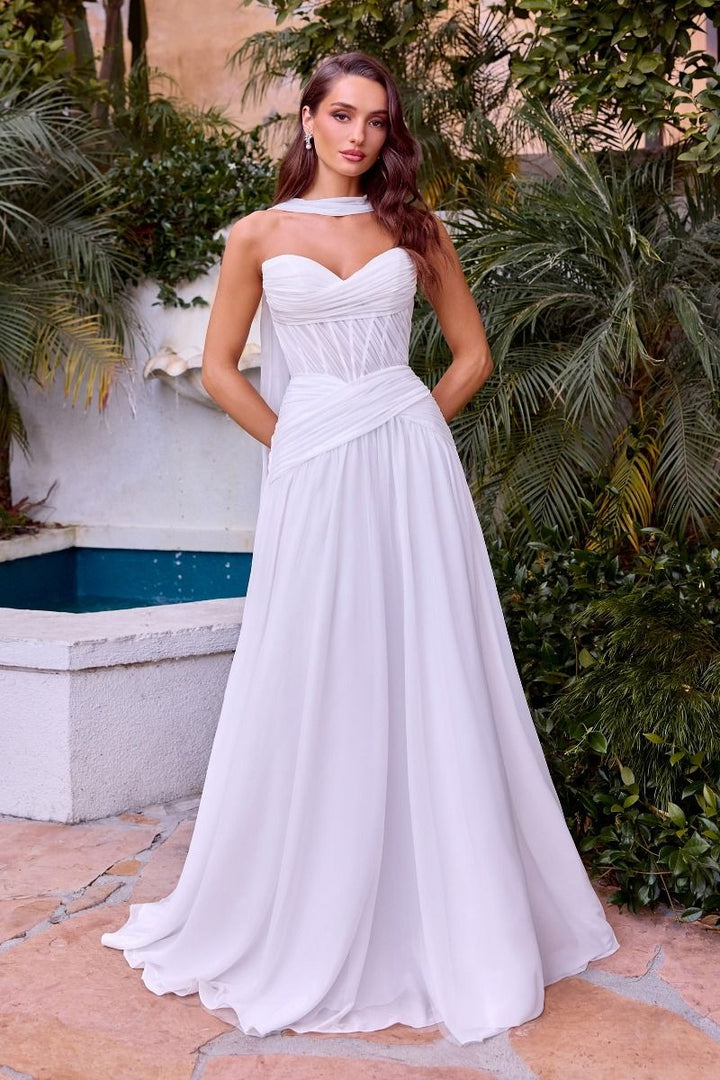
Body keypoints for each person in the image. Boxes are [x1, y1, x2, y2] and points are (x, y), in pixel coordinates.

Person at [101, 50, 619, 1046]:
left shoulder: (414, 227)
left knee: (428, 659)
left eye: (376, 121)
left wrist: (408, 423)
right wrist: (295, 440)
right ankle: (313, 895)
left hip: (408, 465)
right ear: (308, 117)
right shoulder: (258, 234)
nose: (358, 135)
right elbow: (219, 368)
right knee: (318, 661)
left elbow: (472, 355)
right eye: (342, 114)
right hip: (314, 469)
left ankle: (448, 902)